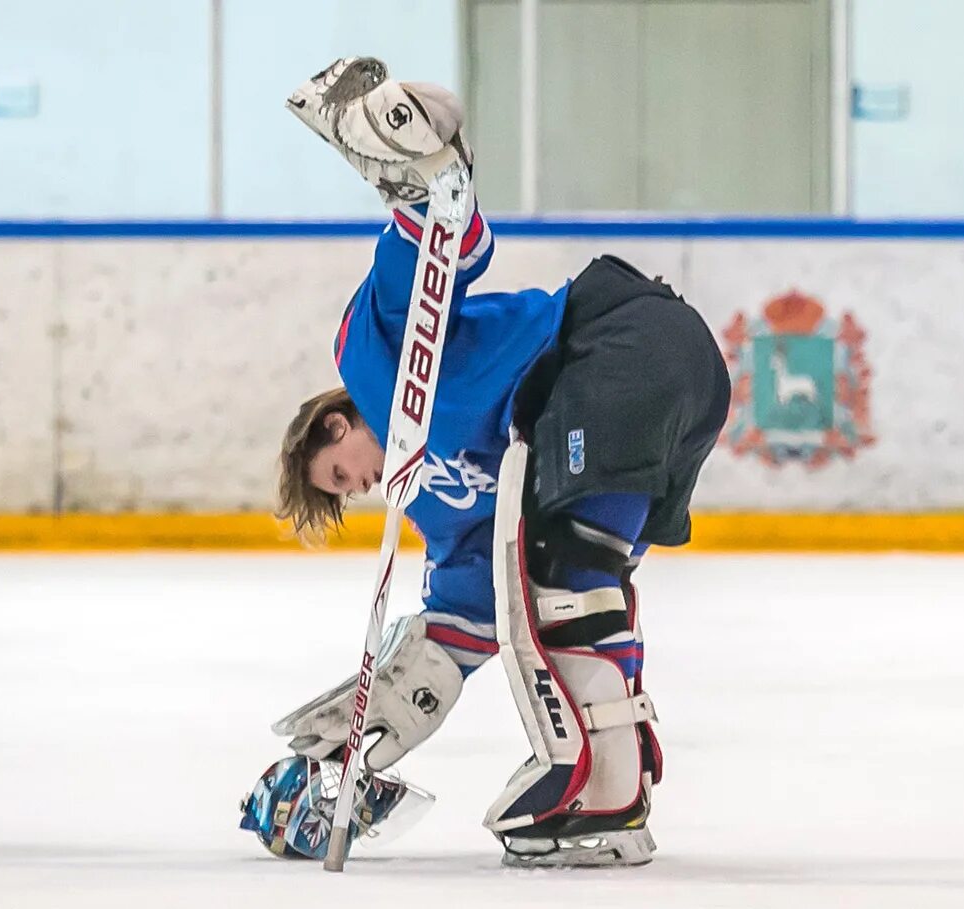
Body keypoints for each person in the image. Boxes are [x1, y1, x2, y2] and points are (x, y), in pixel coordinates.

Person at [240, 57, 731, 867]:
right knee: (573, 567)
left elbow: (441, 252)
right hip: (667, 394)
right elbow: (458, 630)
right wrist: (365, 736)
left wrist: (426, 176)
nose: (358, 488)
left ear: (335, 422)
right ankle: (619, 781)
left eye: (338, 473)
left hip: (617, 347)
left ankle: (603, 784)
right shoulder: (442, 508)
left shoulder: (372, 357)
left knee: (562, 569)